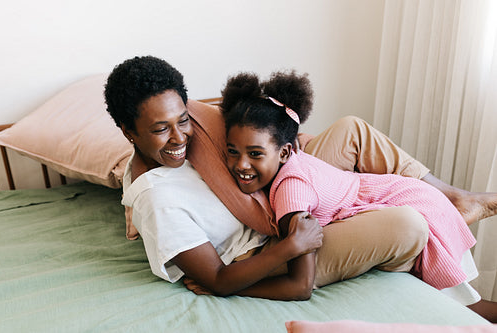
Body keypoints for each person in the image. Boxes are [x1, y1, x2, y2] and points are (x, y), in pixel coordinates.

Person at [104, 56, 497, 320]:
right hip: (267, 245)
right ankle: (472, 307)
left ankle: (455, 197)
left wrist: (294, 150)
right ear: (128, 132)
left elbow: (252, 128)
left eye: (182, 120)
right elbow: (219, 280)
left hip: (268, 189)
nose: (179, 137)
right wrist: (292, 246)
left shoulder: (198, 128)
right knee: (408, 226)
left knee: (351, 130)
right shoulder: (158, 200)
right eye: (160, 129)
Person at [219, 70, 497, 321]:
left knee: (471, 308)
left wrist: (228, 289)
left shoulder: (291, 191)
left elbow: (301, 286)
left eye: (255, 154)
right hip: (402, 192)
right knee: (471, 302)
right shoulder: (294, 159)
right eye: (232, 151)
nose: (240, 165)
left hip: (410, 203)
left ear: (285, 152)